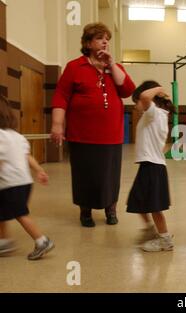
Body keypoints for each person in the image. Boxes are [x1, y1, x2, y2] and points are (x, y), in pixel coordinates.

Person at [51, 22, 135, 227]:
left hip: (111, 135)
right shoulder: (74, 67)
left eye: (107, 38)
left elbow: (128, 90)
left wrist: (111, 65)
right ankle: (85, 212)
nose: (105, 41)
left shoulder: (115, 67)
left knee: (110, 175)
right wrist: (57, 124)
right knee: (84, 174)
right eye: (99, 38)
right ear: (88, 43)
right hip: (82, 135)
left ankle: (111, 210)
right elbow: (61, 97)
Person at [0, 95, 54, 260]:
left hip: (10, 184)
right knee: (2, 212)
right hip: (24, 182)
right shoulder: (17, 136)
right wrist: (39, 170)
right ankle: (3, 242)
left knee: (20, 214)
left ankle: (42, 240)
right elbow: (27, 156)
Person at [126, 81, 174, 252]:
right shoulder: (154, 115)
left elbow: (145, 96)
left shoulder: (155, 113)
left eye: (136, 101)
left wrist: (158, 89)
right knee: (137, 200)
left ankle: (165, 239)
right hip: (148, 165)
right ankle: (150, 229)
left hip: (153, 166)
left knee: (155, 208)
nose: (136, 105)